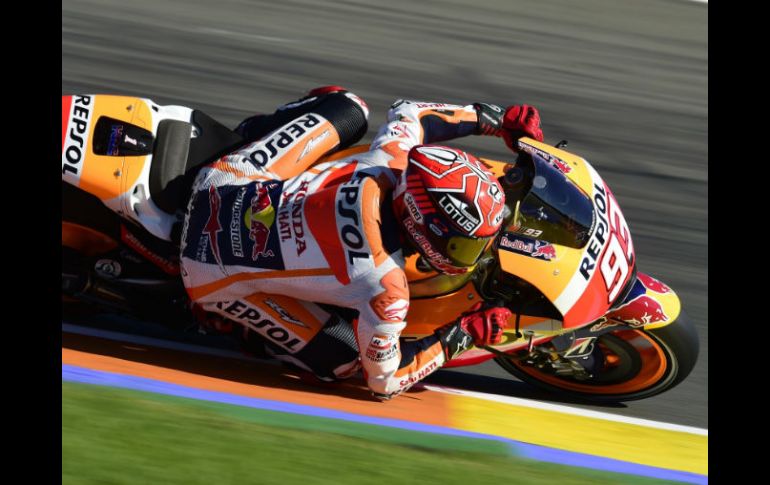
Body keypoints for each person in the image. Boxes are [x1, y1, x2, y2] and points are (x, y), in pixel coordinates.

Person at [179, 86, 544, 400]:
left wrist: (493, 118)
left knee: (348, 105)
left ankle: (246, 135)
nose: (473, 256)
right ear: (422, 224)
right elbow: (385, 381)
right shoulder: (387, 288)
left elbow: (411, 111)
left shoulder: (391, 159)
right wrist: (463, 335)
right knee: (343, 361)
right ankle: (235, 326)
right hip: (208, 269)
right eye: (462, 246)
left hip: (225, 180)